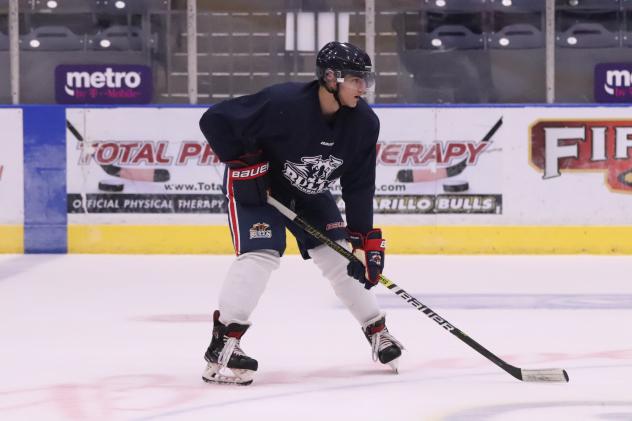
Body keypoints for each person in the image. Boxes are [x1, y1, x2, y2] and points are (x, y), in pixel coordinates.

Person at [199, 41, 403, 386]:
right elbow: (214, 120)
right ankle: (223, 344)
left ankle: (377, 330)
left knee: (341, 257)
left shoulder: (364, 123)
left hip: (309, 191)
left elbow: (358, 183)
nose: (363, 87)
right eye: (355, 79)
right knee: (261, 254)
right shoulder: (283, 103)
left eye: (364, 79)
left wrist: (362, 239)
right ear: (330, 78)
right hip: (257, 188)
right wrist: (244, 162)